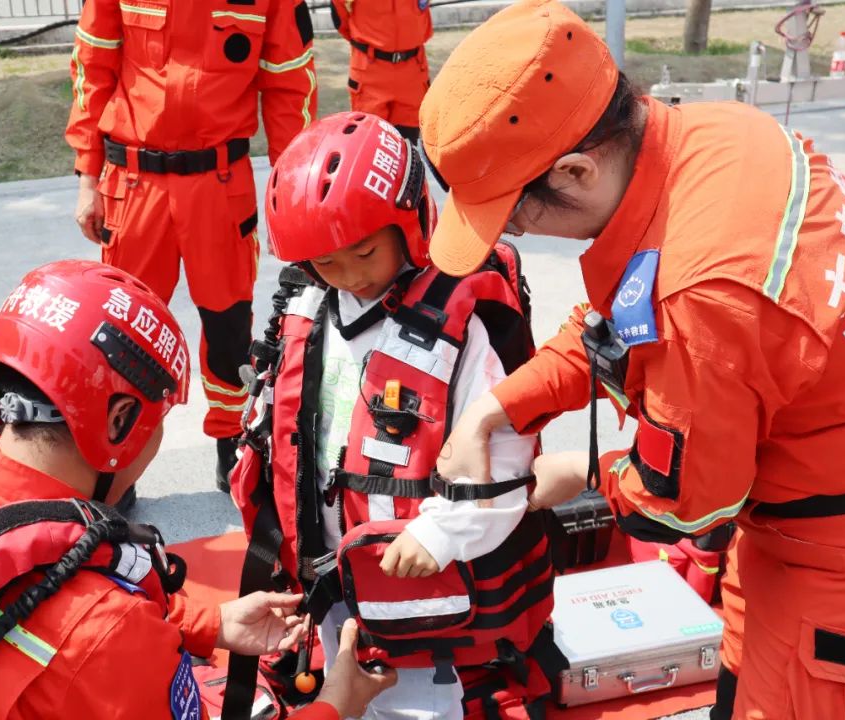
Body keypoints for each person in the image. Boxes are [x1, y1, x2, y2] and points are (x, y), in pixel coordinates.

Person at [418, 1, 845, 718]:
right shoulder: (710, 136)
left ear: (577, 170)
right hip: (790, 519)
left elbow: (688, 503)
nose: (517, 233)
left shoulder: (704, 291)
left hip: (830, 568)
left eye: (514, 212)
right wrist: (495, 409)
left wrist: (578, 475)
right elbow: (612, 321)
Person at [0, 260, 395, 719]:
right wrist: (336, 704)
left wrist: (208, 622)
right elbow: (93, 635)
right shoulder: (106, 633)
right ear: (119, 420)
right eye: (159, 420)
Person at [232, 113, 554, 720]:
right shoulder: (306, 309)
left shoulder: (463, 329)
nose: (350, 276)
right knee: (345, 689)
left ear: (409, 223)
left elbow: (506, 458)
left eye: (364, 252)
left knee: (421, 707)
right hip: (327, 569)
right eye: (327, 263)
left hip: (419, 576)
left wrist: (442, 532)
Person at [65, 0, 318, 493]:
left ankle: (234, 449)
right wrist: (87, 178)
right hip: (133, 183)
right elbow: (92, 66)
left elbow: (290, 89)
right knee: (123, 334)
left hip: (220, 186)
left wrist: (295, 193)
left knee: (229, 330)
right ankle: (115, 461)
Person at [329, 0, 432, 143]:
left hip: (412, 71)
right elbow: (340, 19)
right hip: (370, 72)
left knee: (409, 147)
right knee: (370, 144)